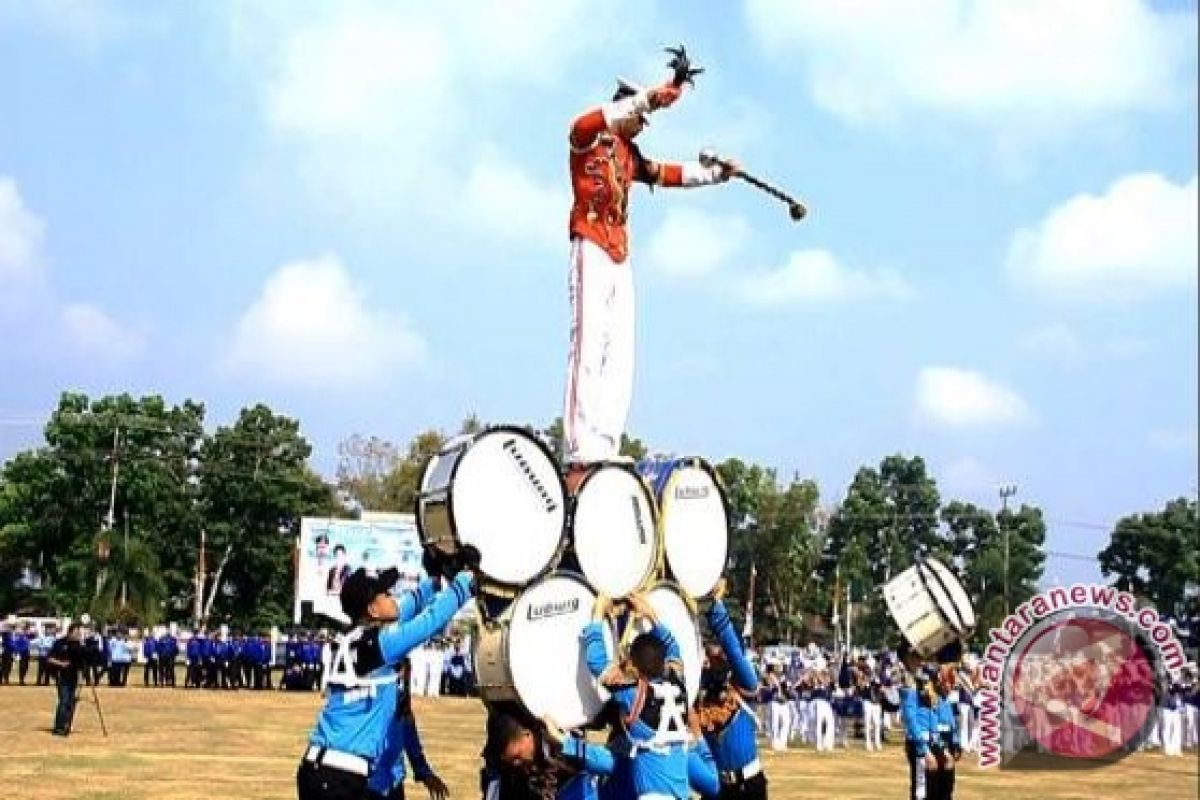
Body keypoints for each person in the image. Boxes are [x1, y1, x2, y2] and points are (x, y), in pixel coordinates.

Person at [562, 69, 739, 474]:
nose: (644, 126)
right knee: (588, 345)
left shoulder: (629, 154)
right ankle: (579, 447)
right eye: (640, 118)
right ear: (624, 109)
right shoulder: (586, 138)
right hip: (589, 242)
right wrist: (648, 99)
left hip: (620, 253)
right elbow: (587, 122)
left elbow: (670, 174)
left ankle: (605, 441)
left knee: (621, 350)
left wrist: (716, 175)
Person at [296, 547, 478, 800]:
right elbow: (430, 621)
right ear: (373, 609)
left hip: (320, 770)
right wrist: (466, 580)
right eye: (386, 593)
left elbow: (406, 608)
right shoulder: (382, 644)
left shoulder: (357, 639)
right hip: (340, 779)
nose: (393, 597)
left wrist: (435, 581)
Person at [584, 592, 690, 800]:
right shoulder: (679, 684)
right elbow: (674, 650)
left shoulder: (633, 695)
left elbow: (597, 662)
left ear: (634, 665)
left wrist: (597, 614)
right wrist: (652, 615)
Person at [696, 579, 765, 799]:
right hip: (717, 786)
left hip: (748, 784)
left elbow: (733, 651)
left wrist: (717, 605)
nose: (714, 654)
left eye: (719, 649)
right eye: (711, 650)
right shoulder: (700, 684)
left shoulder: (744, 680)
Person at [366, 658, 450, 800]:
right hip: (368, 782)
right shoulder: (370, 701)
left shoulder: (402, 704)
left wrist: (423, 771)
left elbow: (410, 738)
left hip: (394, 782)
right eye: (400, 670)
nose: (404, 676)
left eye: (407, 670)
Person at [47, 623, 88, 736]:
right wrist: (61, 663)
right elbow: (49, 658)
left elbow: (82, 661)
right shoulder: (60, 643)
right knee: (64, 701)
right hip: (61, 675)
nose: (78, 634)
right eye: (76, 632)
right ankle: (58, 727)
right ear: (70, 632)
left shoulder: (78, 645)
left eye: (79, 633)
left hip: (73, 676)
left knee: (70, 702)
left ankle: (66, 725)